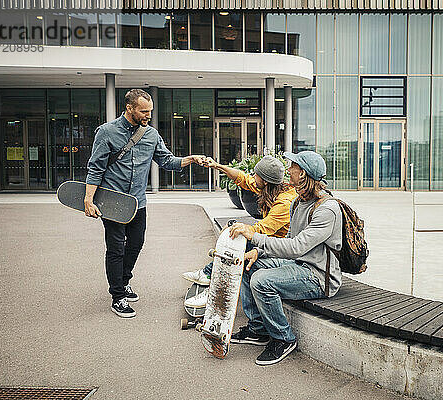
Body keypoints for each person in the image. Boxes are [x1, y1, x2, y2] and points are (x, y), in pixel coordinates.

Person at [85, 88, 206, 318]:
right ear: (129, 108)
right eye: (143, 111)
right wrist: (88, 200)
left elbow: (167, 160)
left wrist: (191, 159)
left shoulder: (150, 135)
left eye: (150, 111)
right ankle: (118, 296)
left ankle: (124, 280)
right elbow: (96, 167)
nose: (148, 115)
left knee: (136, 243)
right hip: (113, 201)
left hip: (138, 202)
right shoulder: (107, 132)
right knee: (116, 248)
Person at [227, 150, 343, 365]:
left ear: (304, 174)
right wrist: (258, 252)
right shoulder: (298, 202)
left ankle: (283, 338)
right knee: (247, 264)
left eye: (294, 167)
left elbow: (296, 247)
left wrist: (256, 237)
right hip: (298, 264)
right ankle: (258, 330)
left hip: (317, 276)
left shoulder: (328, 209)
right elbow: (290, 238)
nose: (289, 170)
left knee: (261, 281)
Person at [182, 155, 298, 308]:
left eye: (256, 175)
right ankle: (210, 278)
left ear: (264, 180)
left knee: (236, 240)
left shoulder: (284, 202)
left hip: (277, 249)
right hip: (266, 243)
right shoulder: (270, 186)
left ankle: (212, 285)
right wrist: (217, 165)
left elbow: (262, 230)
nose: (253, 177)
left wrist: (235, 228)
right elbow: (242, 178)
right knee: (234, 236)